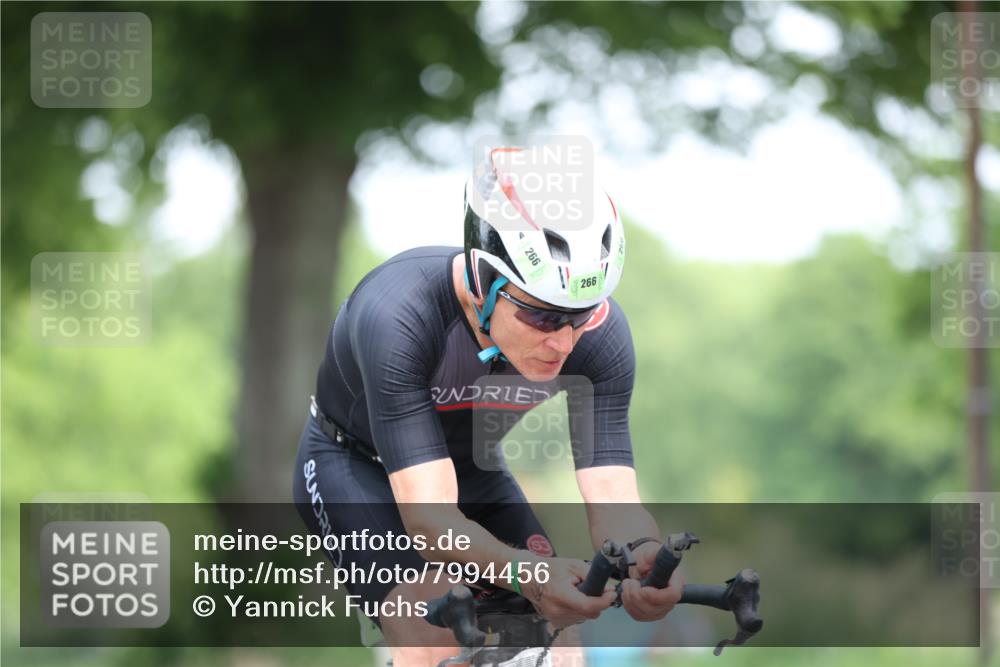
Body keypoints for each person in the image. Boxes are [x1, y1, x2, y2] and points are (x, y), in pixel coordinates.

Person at [293, 147, 681, 666]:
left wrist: (644, 558)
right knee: (431, 624)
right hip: (355, 468)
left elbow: (611, 492)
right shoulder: (399, 314)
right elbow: (429, 518)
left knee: (561, 640)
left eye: (582, 315)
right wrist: (527, 574)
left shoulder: (600, 338)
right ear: (483, 280)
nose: (564, 343)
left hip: (473, 469)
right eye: (543, 318)